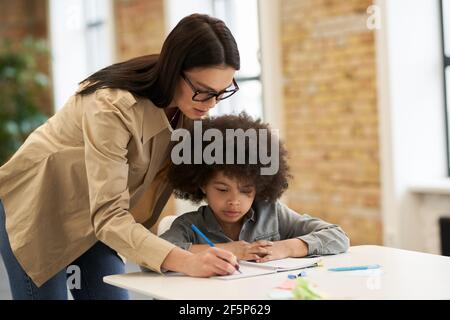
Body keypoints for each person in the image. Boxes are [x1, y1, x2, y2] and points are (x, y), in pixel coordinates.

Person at [0, 13, 241, 300]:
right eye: (204, 92)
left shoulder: (188, 108)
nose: (212, 104)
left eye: (222, 92)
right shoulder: (111, 107)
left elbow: (212, 178)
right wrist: (188, 261)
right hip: (40, 209)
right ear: (175, 70)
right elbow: (109, 215)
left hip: (97, 218)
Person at [158, 113, 350, 262]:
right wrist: (228, 249)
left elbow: (337, 237)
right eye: (223, 190)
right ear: (202, 184)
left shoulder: (272, 214)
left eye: (246, 191)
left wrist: (286, 248)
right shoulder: (189, 226)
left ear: (260, 186)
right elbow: (157, 254)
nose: (234, 201)